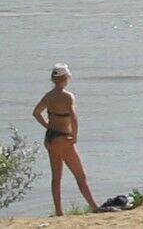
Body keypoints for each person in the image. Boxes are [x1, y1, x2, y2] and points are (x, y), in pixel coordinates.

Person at [33, 63, 98, 215]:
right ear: (66, 78)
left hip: (50, 138)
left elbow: (36, 112)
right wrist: (74, 135)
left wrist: (47, 125)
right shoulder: (68, 96)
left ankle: (59, 211)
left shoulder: (48, 96)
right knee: (80, 176)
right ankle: (94, 207)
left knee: (56, 177)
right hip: (63, 138)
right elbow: (74, 117)